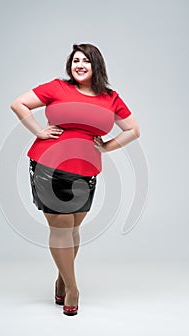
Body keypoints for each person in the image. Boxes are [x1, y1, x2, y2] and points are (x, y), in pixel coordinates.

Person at [10, 43, 140, 316]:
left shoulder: (110, 97)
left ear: (96, 65)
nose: (79, 65)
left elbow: (133, 130)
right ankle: (72, 287)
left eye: (86, 61)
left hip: (87, 169)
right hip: (48, 165)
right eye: (75, 60)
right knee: (60, 227)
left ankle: (60, 278)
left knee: (73, 228)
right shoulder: (58, 87)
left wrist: (106, 147)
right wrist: (39, 131)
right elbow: (18, 103)